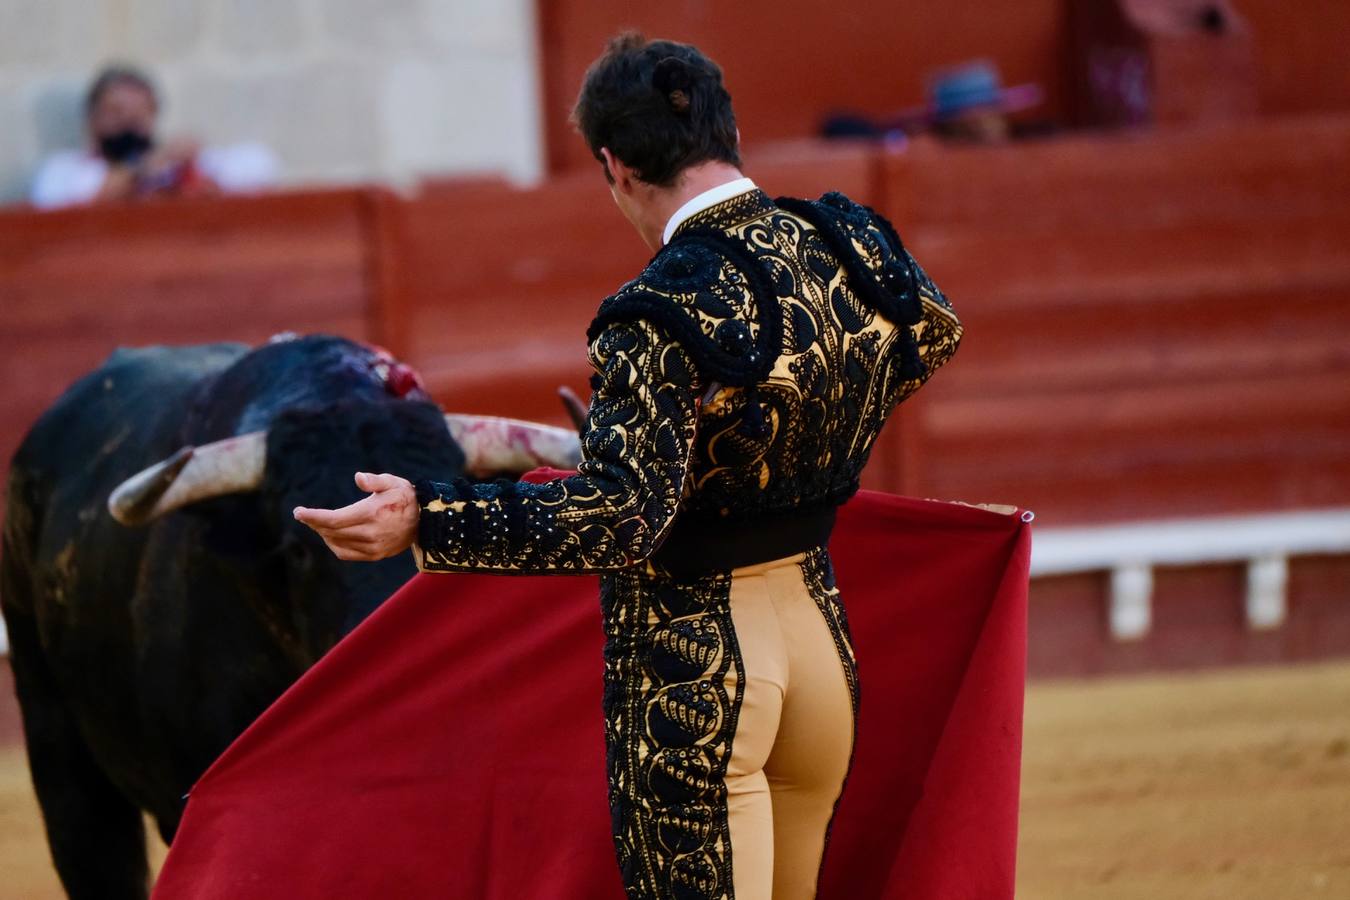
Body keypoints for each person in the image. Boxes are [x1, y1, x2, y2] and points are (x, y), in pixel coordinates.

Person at [294, 32, 962, 900]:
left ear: (614, 166)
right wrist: (816, 417)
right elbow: (933, 330)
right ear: (725, 131)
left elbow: (621, 517)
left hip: (702, 673)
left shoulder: (656, 310)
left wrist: (428, 518)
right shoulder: (847, 238)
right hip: (820, 647)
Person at [29, 64, 278, 210]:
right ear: (93, 120)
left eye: (141, 113)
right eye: (116, 112)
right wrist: (139, 172)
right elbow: (53, 195)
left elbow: (262, 166)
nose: (129, 121)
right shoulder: (64, 169)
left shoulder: (173, 164)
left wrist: (196, 173)